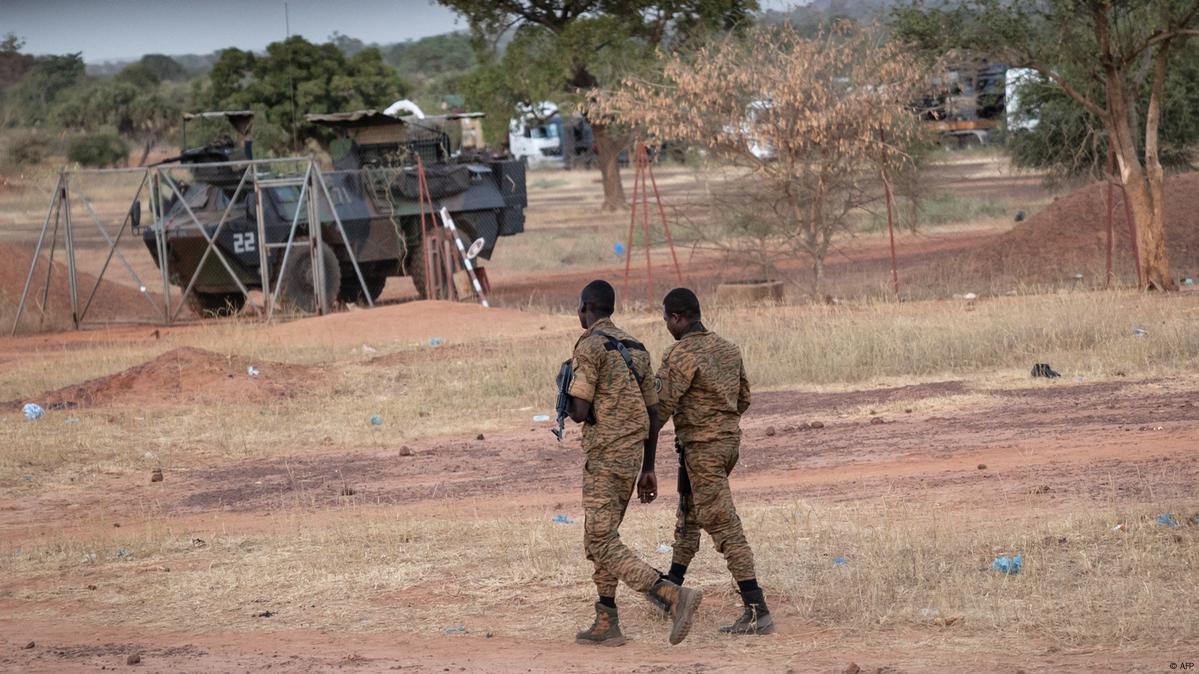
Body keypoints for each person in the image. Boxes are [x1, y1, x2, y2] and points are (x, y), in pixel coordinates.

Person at [564, 280, 702, 646]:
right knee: (600, 536)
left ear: (586, 307)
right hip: (631, 457)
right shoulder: (636, 348)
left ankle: (668, 594)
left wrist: (563, 392)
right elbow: (653, 412)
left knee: (600, 538)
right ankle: (606, 619)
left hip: (605, 456)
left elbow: (578, 411)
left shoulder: (590, 346)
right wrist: (649, 467)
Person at [647, 287, 773, 635]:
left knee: (723, 525)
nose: (666, 326)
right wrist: (720, 422)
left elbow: (661, 408)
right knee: (689, 513)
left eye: (666, 319)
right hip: (727, 445)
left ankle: (756, 608)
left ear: (677, 317)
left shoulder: (679, 354)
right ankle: (671, 586)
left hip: (702, 450)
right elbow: (743, 398)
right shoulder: (728, 349)